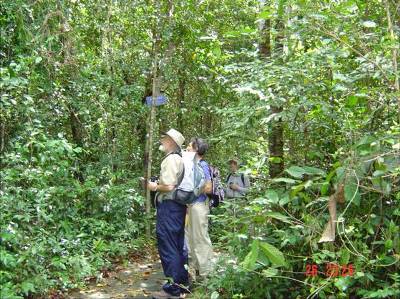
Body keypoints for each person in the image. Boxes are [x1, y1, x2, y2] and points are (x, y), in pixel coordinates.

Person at [147, 128, 188, 299]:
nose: (162, 140)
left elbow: (169, 186)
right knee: (178, 246)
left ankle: (172, 289)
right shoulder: (179, 159)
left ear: (171, 142)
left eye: (164, 138)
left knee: (168, 246)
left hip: (169, 208)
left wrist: (154, 186)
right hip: (177, 208)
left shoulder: (171, 159)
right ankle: (182, 284)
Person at [185, 137, 214, 281]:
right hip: (191, 206)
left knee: (200, 239)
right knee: (191, 239)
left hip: (199, 206)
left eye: (189, 147)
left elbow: (208, 187)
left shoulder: (202, 165)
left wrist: (194, 191)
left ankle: (205, 274)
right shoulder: (192, 165)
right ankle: (195, 272)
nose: (187, 149)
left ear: (196, 150)